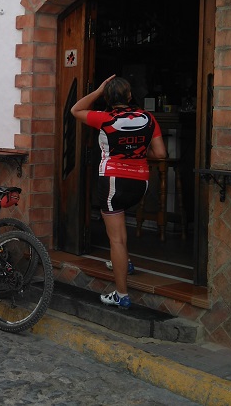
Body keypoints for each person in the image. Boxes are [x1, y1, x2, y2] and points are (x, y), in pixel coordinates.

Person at [71, 75, 166, 310]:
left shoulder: (105, 119)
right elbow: (161, 154)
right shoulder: (148, 118)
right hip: (140, 184)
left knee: (117, 239)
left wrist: (97, 91)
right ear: (130, 95)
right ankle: (125, 263)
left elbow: (75, 110)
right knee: (121, 237)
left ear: (107, 98)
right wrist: (139, 154)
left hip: (113, 183)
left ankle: (122, 294)